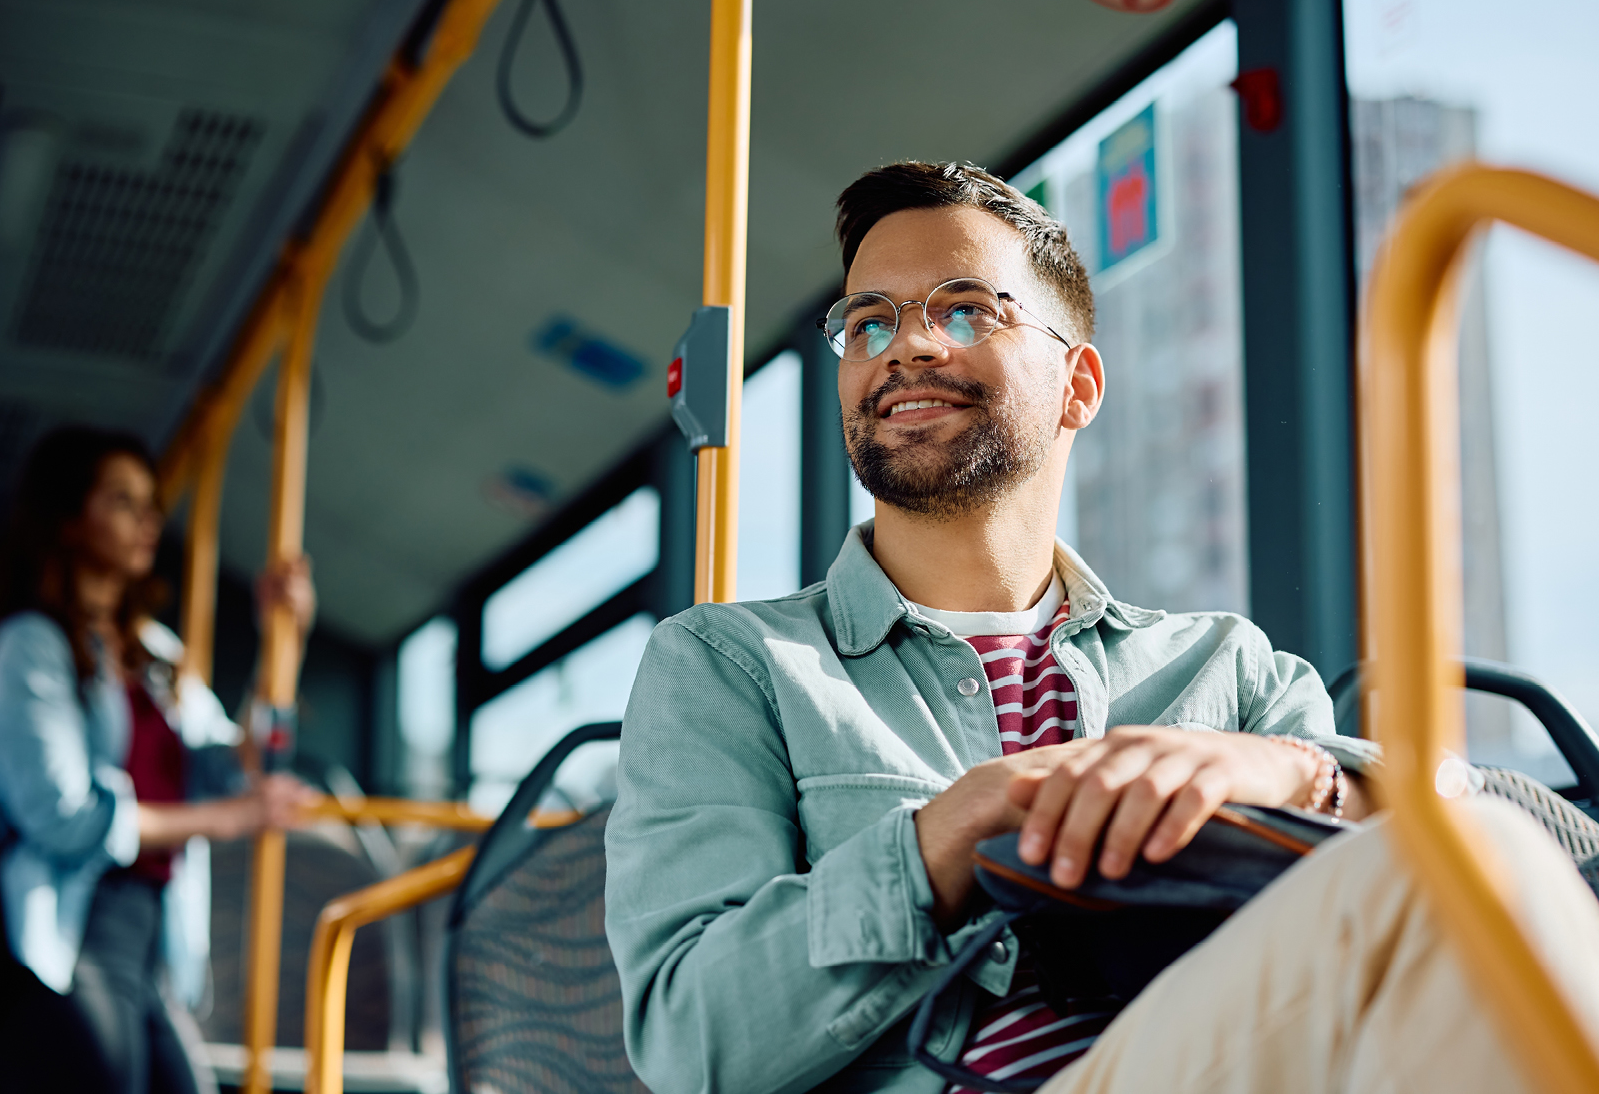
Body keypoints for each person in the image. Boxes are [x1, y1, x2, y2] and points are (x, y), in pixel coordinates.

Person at [602, 162, 1599, 1094]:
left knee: (1468, 868)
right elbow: (690, 1039)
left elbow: (1409, 852)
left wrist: (1299, 777)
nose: (904, 344)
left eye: (962, 308)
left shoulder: (1227, 669)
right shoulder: (732, 666)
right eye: (866, 323)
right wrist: (948, 834)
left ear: (1076, 383)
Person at [0, 426, 320, 1094]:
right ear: (70, 520)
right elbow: (61, 816)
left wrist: (286, 641)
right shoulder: (31, 645)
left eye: (149, 503)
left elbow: (233, 766)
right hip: (74, 928)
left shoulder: (154, 655)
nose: (147, 520)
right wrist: (228, 818)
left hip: (155, 932)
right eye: (121, 500)